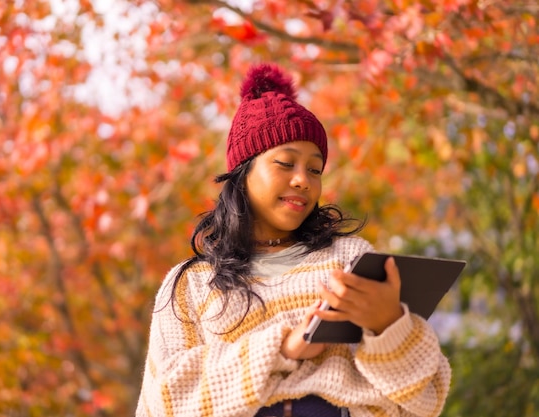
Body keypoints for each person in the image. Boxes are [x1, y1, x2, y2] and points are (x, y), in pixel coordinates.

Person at [135, 63, 451, 417]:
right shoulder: (191, 285)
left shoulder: (350, 262)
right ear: (243, 173)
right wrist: (282, 348)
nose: (303, 180)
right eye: (286, 163)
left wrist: (388, 325)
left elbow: (424, 400)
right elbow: (167, 400)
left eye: (314, 169)